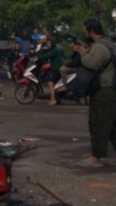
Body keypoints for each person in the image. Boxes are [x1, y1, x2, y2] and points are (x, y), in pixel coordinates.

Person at [71, 19, 116, 168]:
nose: (84, 33)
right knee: (111, 125)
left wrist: (82, 52)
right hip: (109, 89)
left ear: (91, 31)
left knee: (99, 123)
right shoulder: (107, 43)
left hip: (104, 90)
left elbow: (91, 63)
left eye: (85, 30)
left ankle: (95, 158)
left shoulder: (100, 46)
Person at [36, 36, 62, 105]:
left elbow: (45, 56)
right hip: (54, 68)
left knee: (50, 82)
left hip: (55, 69)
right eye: (47, 43)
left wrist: (42, 50)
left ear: (52, 44)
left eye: (49, 43)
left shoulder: (54, 50)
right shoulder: (52, 49)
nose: (48, 44)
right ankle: (56, 98)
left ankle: (53, 100)